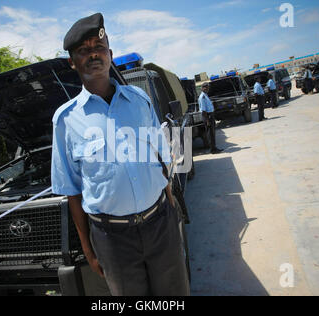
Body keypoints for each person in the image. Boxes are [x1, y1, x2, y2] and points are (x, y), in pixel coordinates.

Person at [51, 13, 190, 296]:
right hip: (112, 239)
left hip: (161, 223)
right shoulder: (65, 120)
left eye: (98, 48)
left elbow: (162, 158)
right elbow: (72, 192)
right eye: (83, 50)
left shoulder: (139, 101)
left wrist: (171, 204)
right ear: (72, 62)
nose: (93, 55)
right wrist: (88, 250)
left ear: (110, 54)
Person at [198, 82, 223, 154]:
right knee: (210, 134)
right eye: (205, 87)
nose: (207, 88)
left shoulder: (205, 95)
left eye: (207, 87)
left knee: (212, 133)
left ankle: (214, 148)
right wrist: (207, 120)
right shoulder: (202, 97)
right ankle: (213, 150)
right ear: (202, 88)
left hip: (210, 115)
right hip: (207, 116)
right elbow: (203, 110)